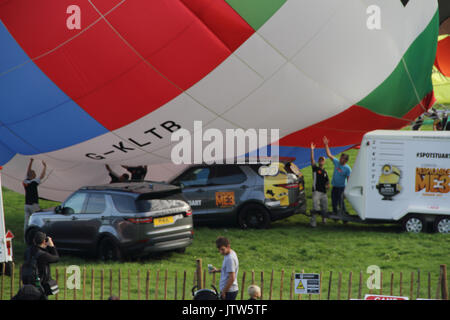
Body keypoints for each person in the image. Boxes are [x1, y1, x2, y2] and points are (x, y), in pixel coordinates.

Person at [23, 231, 59, 297]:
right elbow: (56, 258)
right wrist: (51, 246)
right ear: (44, 242)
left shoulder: (27, 251)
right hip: (40, 286)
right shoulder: (43, 255)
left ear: (34, 240)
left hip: (28, 283)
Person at [323, 136, 352, 216]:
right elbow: (329, 154)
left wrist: (346, 191)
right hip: (335, 186)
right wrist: (326, 144)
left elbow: (349, 180)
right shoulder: (336, 162)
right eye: (340, 158)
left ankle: (344, 215)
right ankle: (335, 214)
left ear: (346, 160)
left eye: (342, 159)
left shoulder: (347, 169)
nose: (340, 159)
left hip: (341, 187)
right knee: (334, 201)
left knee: (341, 201)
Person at [23, 158, 46, 231]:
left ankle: (26, 236)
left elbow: (28, 171)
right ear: (33, 175)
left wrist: (31, 161)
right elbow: (42, 176)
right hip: (34, 205)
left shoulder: (25, 181)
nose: (36, 175)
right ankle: (37, 234)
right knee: (36, 220)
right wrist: (45, 167)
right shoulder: (34, 182)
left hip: (26, 204)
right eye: (34, 174)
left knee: (26, 222)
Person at [310, 143, 329, 227]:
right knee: (315, 207)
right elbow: (312, 160)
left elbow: (327, 181)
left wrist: (327, 185)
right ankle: (313, 223)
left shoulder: (325, 172)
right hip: (316, 191)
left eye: (322, 160)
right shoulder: (315, 169)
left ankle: (324, 220)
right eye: (320, 160)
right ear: (318, 161)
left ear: (324, 162)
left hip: (324, 192)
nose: (321, 161)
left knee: (324, 207)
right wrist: (312, 150)